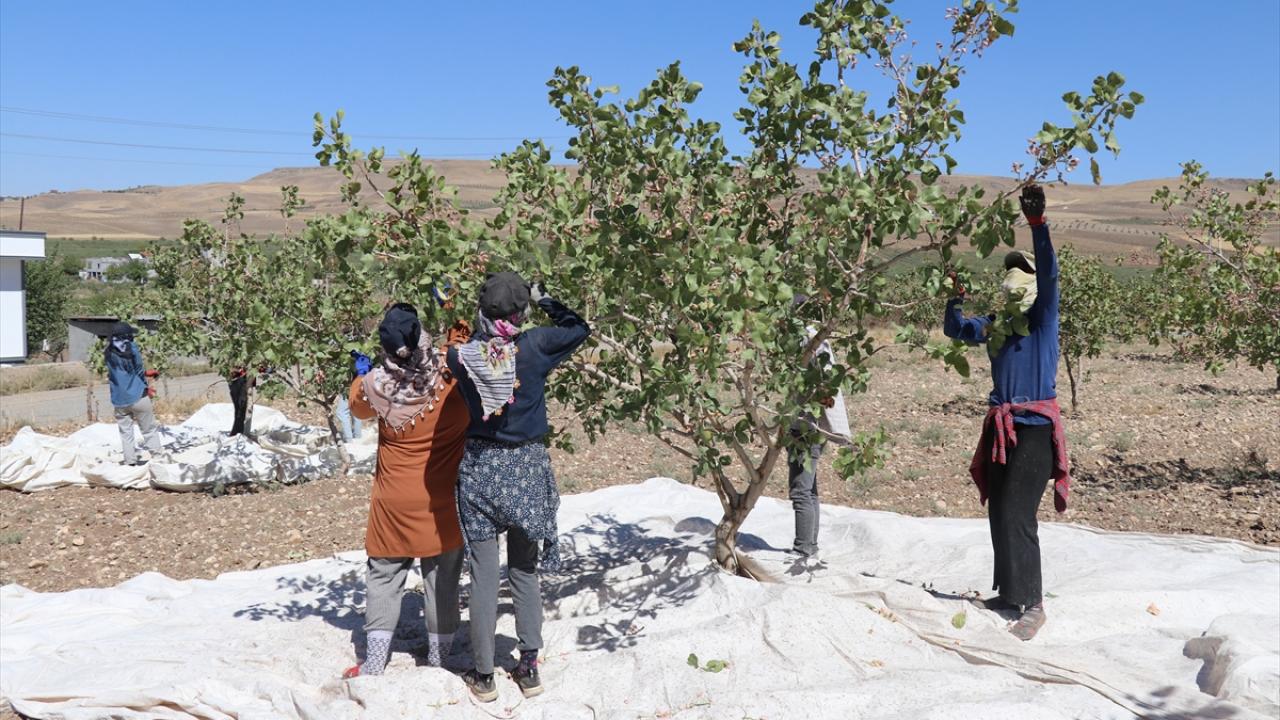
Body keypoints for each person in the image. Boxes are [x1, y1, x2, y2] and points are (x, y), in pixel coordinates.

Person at [445, 272, 590, 702]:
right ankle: (528, 668)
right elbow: (579, 329)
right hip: (526, 470)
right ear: (522, 312)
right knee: (524, 571)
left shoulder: (462, 357)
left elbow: (465, 344)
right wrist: (549, 301)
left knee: (485, 576)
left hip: (481, 472)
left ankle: (484, 675)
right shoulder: (537, 346)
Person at [943, 184, 1072, 642]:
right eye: (1011, 271)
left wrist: (1038, 225)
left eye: (1024, 272)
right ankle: (1009, 594)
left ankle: (1034, 604)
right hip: (1003, 429)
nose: (1016, 278)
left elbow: (1052, 276)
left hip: (1034, 430)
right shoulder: (997, 326)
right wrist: (952, 293)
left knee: (1019, 512)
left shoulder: (1043, 321)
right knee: (999, 509)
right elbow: (955, 329)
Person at [341, 304, 472, 678]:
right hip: (441, 497)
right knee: (442, 578)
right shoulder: (450, 374)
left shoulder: (374, 387)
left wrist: (362, 374)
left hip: (392, 501)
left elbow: (356, 403)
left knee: (383, 573)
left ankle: (376, 660)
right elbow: (463, 343)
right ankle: (439, 659)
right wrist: (454, 311)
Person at [787, 303, 852, 558]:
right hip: (812, 424)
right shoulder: (814, 338)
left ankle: (804, 548)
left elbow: (826, 386)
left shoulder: (808, 339)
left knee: (801, 489)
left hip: (807, 425)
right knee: (809, 488)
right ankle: (809, 546)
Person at [105, 322, 162, 466]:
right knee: (149, 430)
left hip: (119, 400)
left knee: (126, 434)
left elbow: (116, 373)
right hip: (138, 396)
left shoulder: (108, 352)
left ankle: (130, 463)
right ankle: (158, 460)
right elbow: (137, 369)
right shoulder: (133, 348)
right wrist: (145, 384)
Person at [334, 350, 372, 443]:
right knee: (355, 410)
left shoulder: (352, 350)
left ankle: (349, 440)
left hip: (354, 383)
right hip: (363, 382)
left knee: (341, 412)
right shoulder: (365, 348)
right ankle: (357, 439)